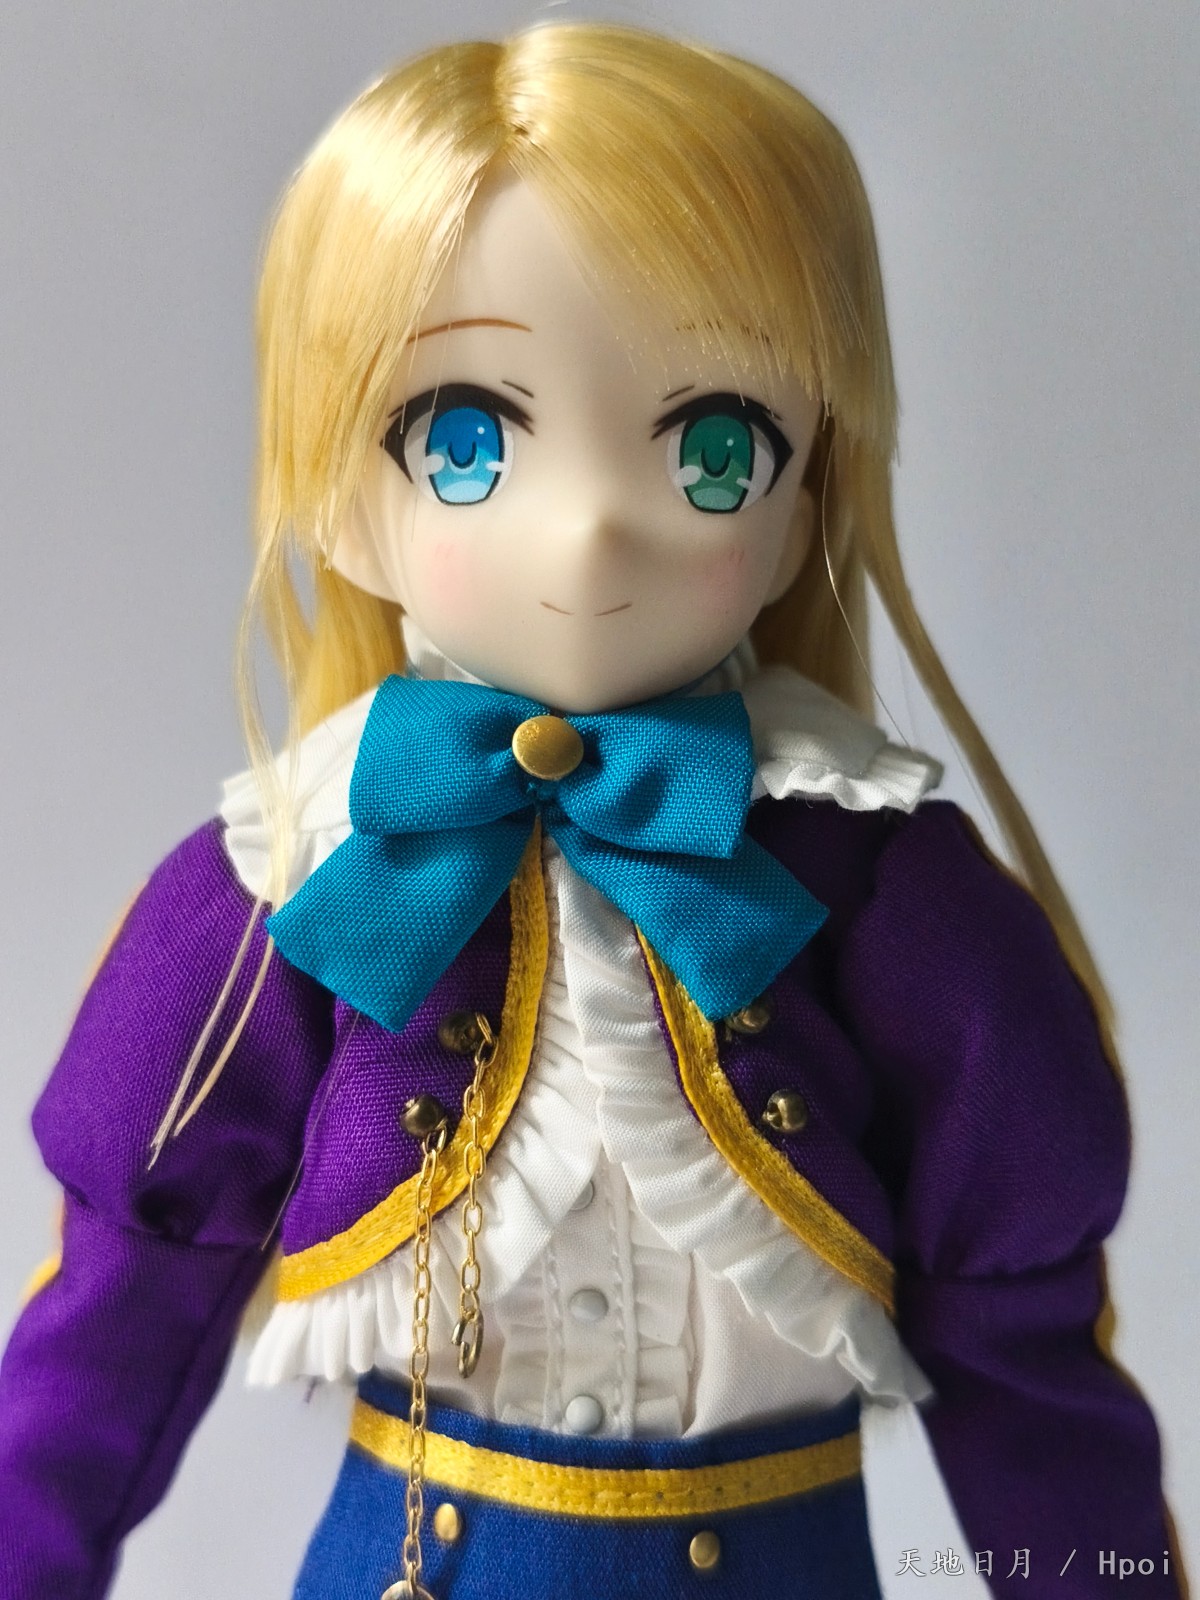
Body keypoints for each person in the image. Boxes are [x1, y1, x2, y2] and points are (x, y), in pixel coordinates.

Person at [0, 22, 1183, 1600]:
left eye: (714, 449)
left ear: (808, 503)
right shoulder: (298, 874)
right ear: (341, 494)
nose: (595, 527)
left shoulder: (882, 882)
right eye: (468, 443)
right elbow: (115, 1326)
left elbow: (1029, 1358)